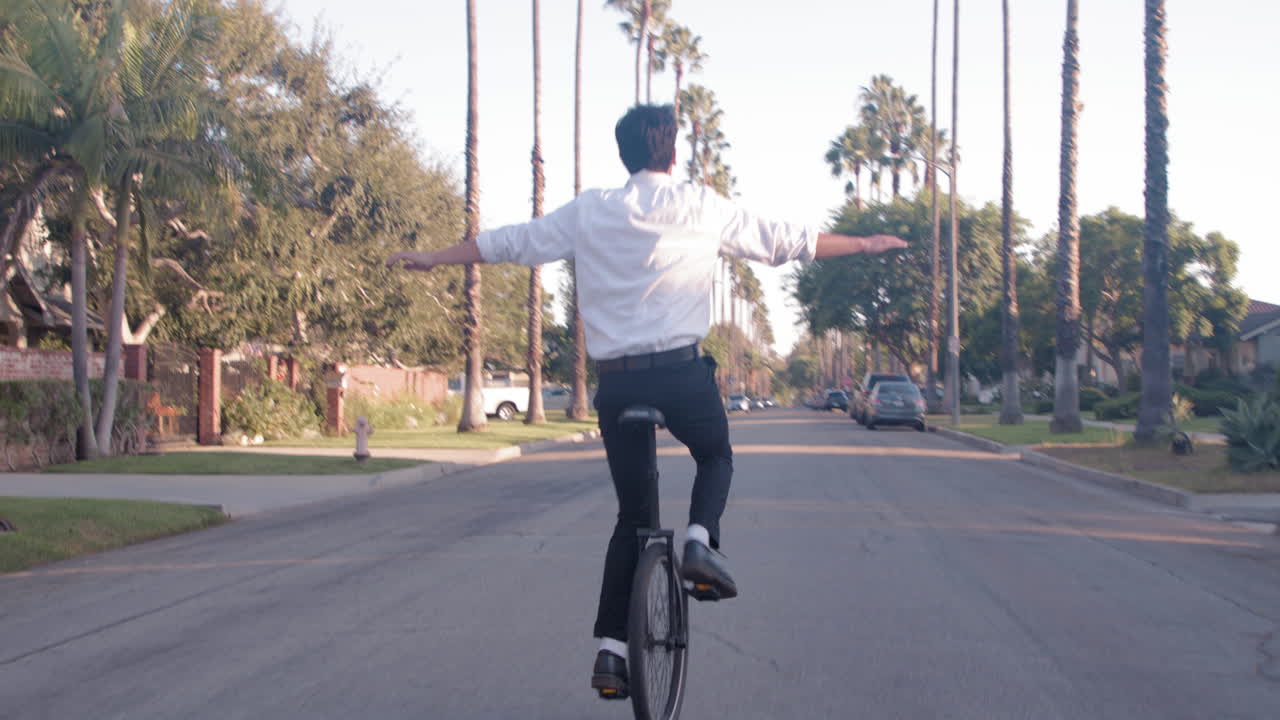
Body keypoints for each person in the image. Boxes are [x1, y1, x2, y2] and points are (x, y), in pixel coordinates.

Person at [387, 104, 906, 700]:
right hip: (683, 377)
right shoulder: (702, 206)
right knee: (715, 457)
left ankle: (611, 652)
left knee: (631, 519)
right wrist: (865, 243)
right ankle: (697, 541)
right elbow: (789, 241)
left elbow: (513, 242)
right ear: (672, 152)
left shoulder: (590, 211)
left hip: (620, 384)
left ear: (624, 153)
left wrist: (434, 257)